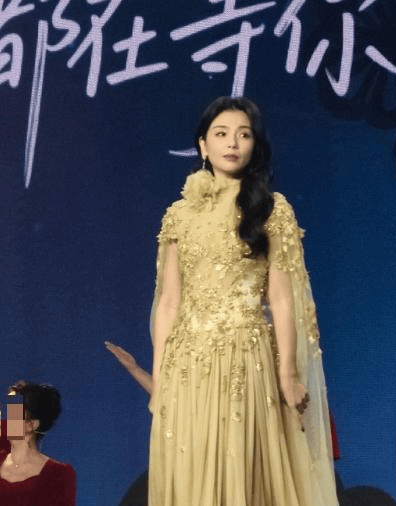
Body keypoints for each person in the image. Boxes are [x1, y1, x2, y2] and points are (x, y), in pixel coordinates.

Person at [138, 96, 338, 505]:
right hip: (186, 366)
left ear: (255, 146)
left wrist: (287, 373)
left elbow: (282, 299)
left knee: (243, 473)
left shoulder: (272, 209)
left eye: (244, 135)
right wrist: (159, 381)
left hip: (245, 361)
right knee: (190, 474)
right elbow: (169, 302)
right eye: (221, 133)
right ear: (202, 145)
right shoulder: (179, 215)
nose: (232, 143)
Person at [0, 381, 76, 506]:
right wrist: (14, 394)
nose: (6, 420)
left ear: (31, 425)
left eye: (14, 413)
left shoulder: (57, 474)